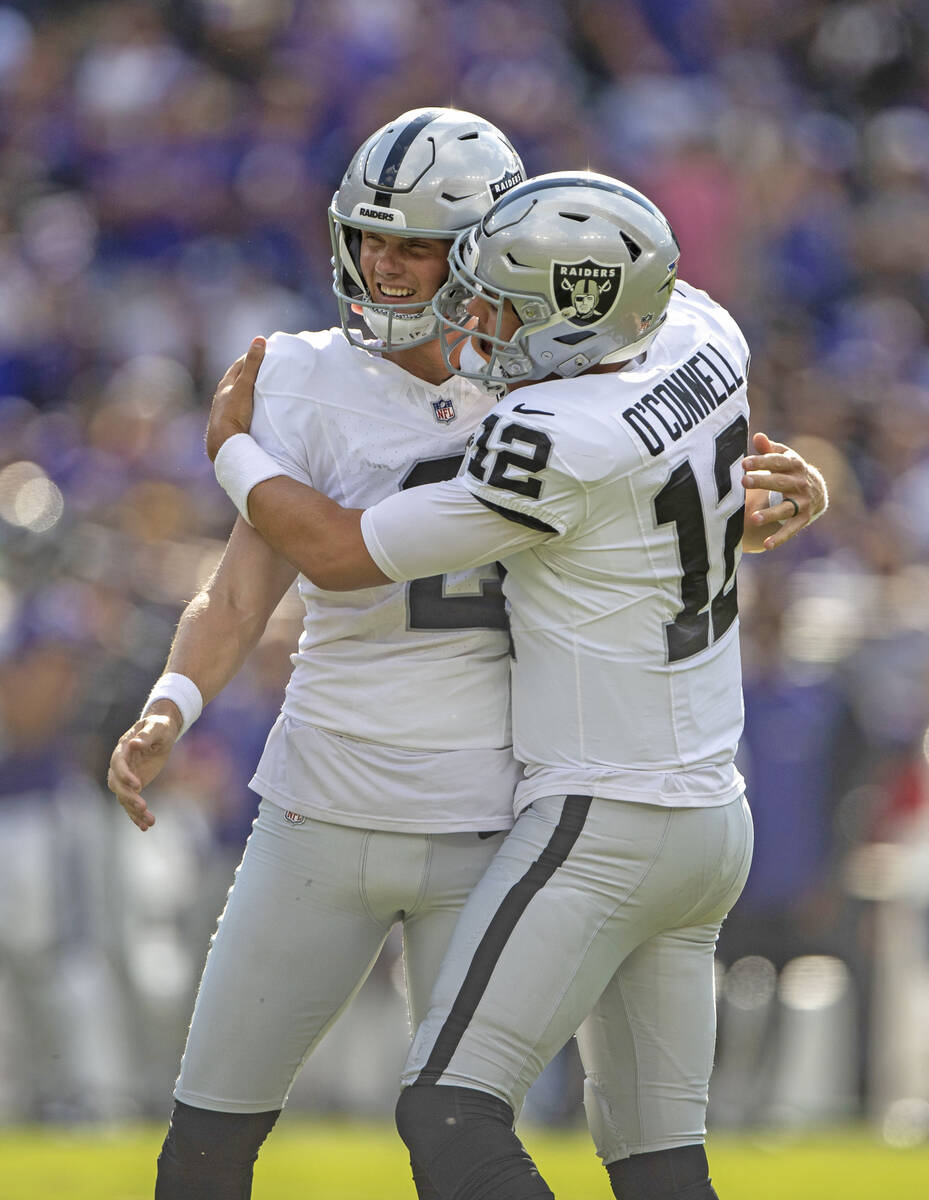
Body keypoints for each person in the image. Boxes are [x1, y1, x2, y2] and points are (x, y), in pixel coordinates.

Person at [109, 108, 821, 1197]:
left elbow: (358, 550)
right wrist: (173, 699)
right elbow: (248, 579)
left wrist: (230, 448)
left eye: (420, 247)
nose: (387, 269)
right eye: (372, 238)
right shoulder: (301, 373)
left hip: (495, 814)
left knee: (455, 1135)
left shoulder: (550, 373)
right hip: (324, 794)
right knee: (206, 1144)